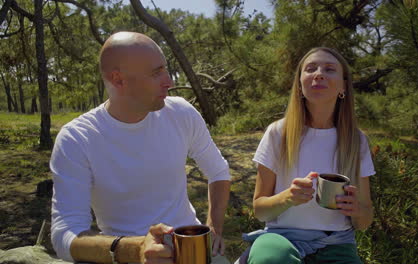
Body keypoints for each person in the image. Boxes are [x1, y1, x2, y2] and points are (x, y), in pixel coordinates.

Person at [50, 31, 231, 264]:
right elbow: (65, 234)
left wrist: (214, 228)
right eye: (156, 73)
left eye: (165, 69)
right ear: (118, 80)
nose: (170, 82)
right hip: (124, 255)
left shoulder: (181, 114)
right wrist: (135, 249)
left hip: (191, 249)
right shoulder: (77, 139)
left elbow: (218, 171)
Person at [242, 47, 375, 264]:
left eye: (329, 69)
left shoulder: (356, 141)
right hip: (281, 238)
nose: (319, 74)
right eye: (311, 69)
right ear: (300, 85)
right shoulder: (278, 133)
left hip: (336, 243)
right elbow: (260, 211)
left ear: (343, 86)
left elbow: (365, 220)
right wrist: (288, 198)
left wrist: (357, 210)